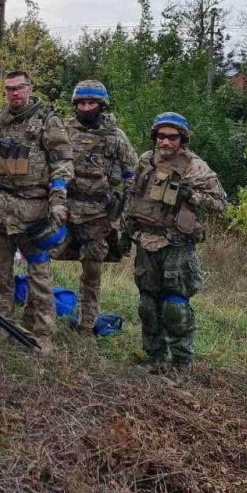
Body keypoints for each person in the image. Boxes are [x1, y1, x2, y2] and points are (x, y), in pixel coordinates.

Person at [0, 69, 73, 355]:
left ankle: (42, 332)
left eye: (19, 87)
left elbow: (63, 163)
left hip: (33, 212)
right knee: (0, 273)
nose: (14, 93)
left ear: (30, 88)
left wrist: (58, 200)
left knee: (39, 275)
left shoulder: (48, 121)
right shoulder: (0, 118)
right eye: (9, 89)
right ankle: (2, 324)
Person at [122, 112, 226, 372]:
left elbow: (221, 204)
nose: (165, 142)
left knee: (174, 306)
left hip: (177, 243)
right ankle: (155, 358)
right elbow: (133, 196)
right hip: (145, 240)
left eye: (172, 137)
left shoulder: (194, 166)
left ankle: (181, 363)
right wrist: (124, 231)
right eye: (161, 136)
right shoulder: (146, 160)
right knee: (147, 304)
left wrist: (193, 196)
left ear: (182, 139)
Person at [62, 81, 138, 334]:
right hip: (64, 209)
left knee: (92, 270)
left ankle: (86, 323)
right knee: (39, 256)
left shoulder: (115, 136)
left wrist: (125, 212)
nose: (86, 108)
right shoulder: (63, 130)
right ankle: (41, 311)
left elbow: (132, 175)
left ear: (101, 105)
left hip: (98, 214)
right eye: (82, 103)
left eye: (91, 103)